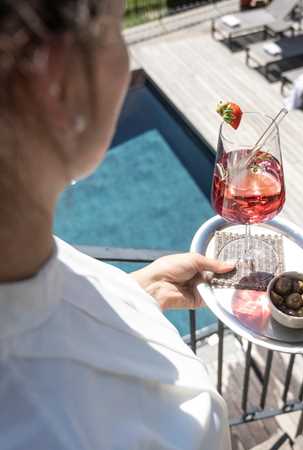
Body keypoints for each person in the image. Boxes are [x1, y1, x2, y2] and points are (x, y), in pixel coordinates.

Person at [0, 1, 233, 449]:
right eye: (117, 26)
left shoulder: (18, 243)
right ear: (57, 80)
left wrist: (133, 298)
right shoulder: (150, 427)